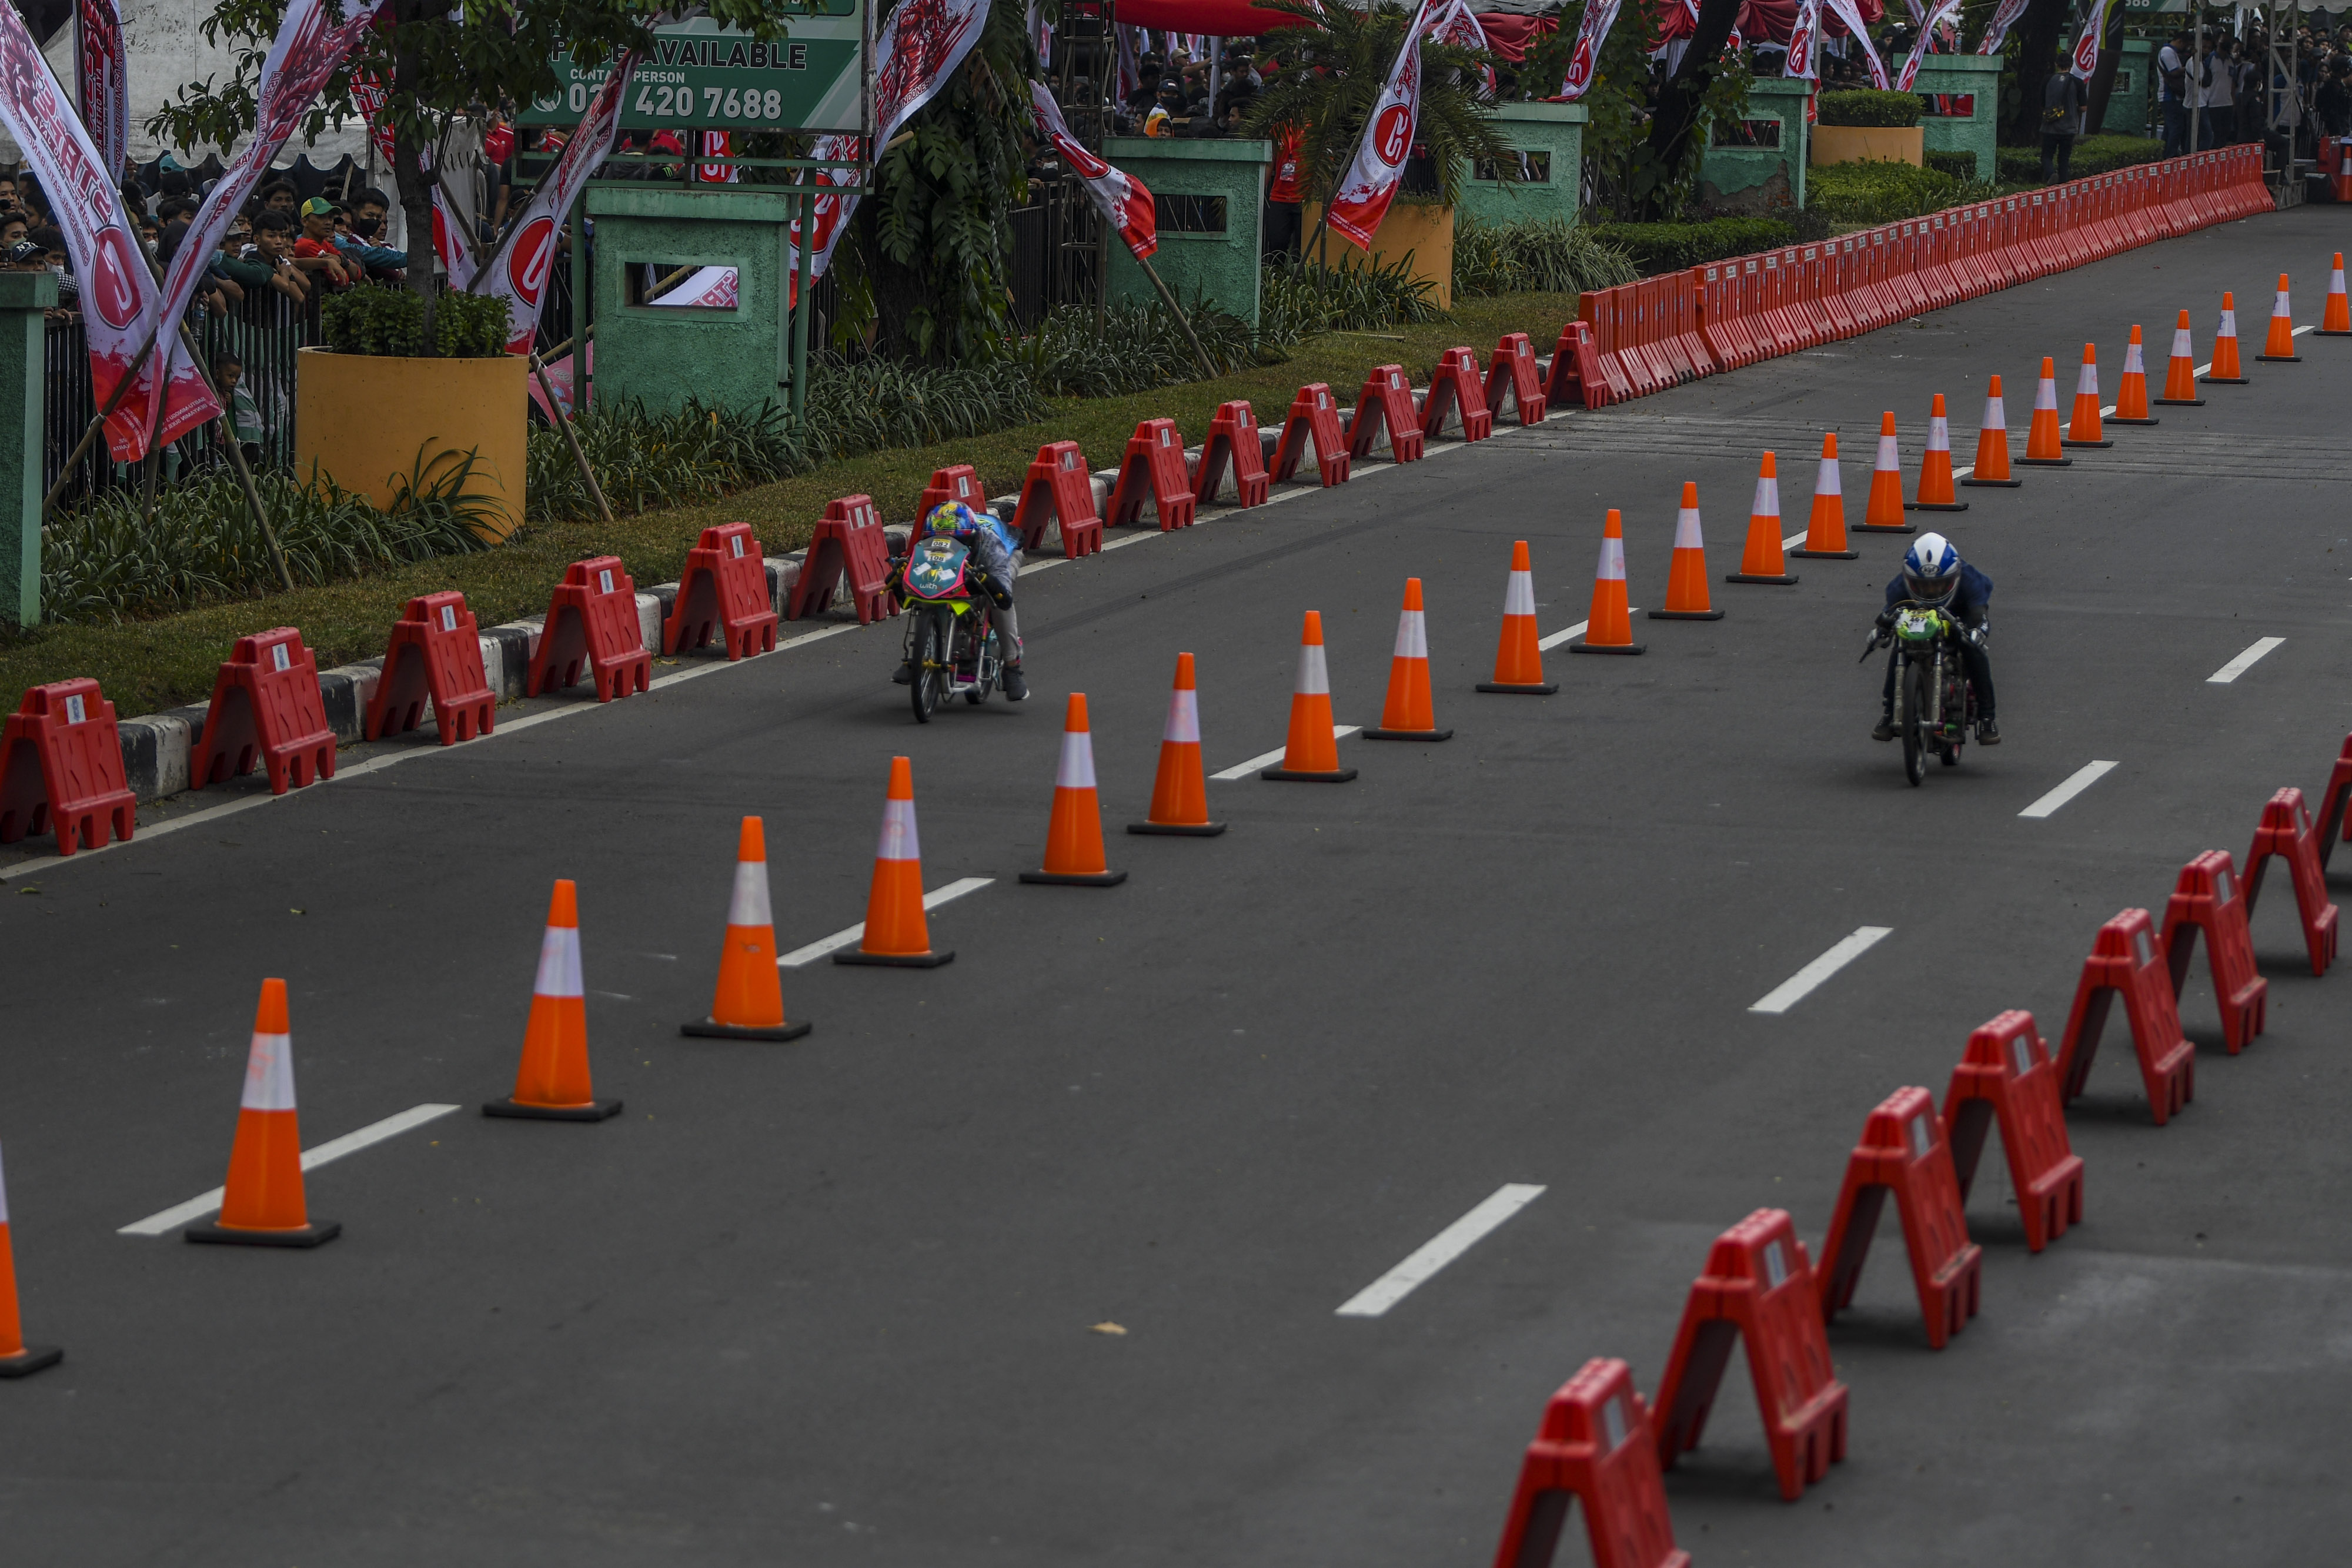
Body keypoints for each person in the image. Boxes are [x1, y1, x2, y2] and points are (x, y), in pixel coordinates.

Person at [893, 499, 1028, 701]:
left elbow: (1004, 597)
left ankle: (1012, 667)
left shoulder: (990, 545)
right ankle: (916, 657)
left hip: (1007, 552)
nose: (948, 549)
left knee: (996, 600)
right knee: (928, 589)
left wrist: (989, 585)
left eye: (957, 543)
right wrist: (898, 579)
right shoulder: (928, 541)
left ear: (972, 540)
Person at [1871, 533, 1997, 745]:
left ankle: (1987, 718)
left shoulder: (1970, 579)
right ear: (1909, 579)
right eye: (1923, 586)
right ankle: (1889, 711)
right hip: (1916, 614)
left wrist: (1979, 630)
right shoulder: (1898, 586)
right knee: (1900, 645)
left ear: (1954, 576)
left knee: (1973, 650)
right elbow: (1889, 613)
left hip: (1958, 614)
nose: (1931, 592)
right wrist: (1882, 630)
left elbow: (1979, 614)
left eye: (1939, 585)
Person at [212, 352, 265, 466]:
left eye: (237, 378)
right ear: (217, 374)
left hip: (222, 440)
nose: (234, 381)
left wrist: (229, 402)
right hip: (214, 439)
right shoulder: (213, 392)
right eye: (231, 376)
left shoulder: (226, 394)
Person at [2042, 52, 2087, 182]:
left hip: (2049, 126)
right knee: (2064, 158)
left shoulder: (2047, 80)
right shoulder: (2077, 82)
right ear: (2071, 65)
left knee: (2046, 156)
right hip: (2069, 127)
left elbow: (2042, 103)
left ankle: (2051, 175)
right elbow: (2084, 108)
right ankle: (2063, 186)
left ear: (2056, 65)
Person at [292, 197, 356, 289]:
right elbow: (342, 280)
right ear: (305, 222)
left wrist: (342, 260)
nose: (328, 222)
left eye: (330, 217)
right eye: (321, 217)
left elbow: (357, 274)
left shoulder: (325, 244)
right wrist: (343, 264)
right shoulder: (305, 244)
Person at [2158, 30, 2194, 156]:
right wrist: (2188, 68)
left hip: (2173, 97)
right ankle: (2170, 155)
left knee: (2169, 129)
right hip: (2170, 96)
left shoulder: (2171, 52)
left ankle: (2163, 153)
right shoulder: (2168, 52)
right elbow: (2173, 72)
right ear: (2180, 41)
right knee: (2176, 128)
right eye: (2185, 45)